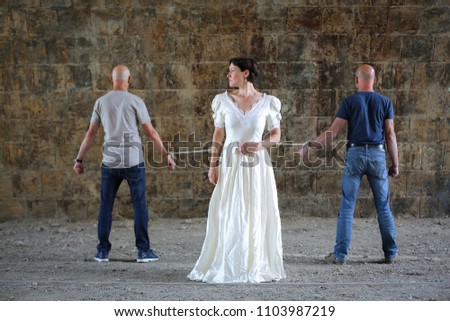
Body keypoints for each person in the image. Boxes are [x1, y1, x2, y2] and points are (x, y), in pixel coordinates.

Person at [188, 57, 286, 283]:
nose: (228, 75)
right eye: (228, 71)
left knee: (256, 211)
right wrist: (212, 165)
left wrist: (259, 145)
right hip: (231, 165)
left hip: (257, 167)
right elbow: (218, 135)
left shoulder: (269, 102)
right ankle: (230, 264)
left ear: (246, 73)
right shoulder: (222, 101)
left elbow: (276, 135)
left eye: (232, 71)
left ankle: (254, 263)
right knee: (230, 212)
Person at [73, 64, 176, 263]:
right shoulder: (136, 101)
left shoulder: (101, 102)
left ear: (111, 80)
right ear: (129, 80)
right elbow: (150, 132)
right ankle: (143, 251)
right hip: (133, 162)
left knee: (106, 206)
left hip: (109, 162)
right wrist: (166, 156)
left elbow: (91, 133)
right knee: (139, 206)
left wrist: (79, 159)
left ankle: (102, 251)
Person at [299, 64, 399, 264]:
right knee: (383, 207)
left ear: (356, 80)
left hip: (354, 154)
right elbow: (390, 134)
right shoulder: (385, 102)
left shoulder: (350, 101)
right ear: (375, 79)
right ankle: (390, 253)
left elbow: (333, 131)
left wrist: (310, 146)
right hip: (378, 155)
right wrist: (395, 163)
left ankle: (340, 255)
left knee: (347, 206)